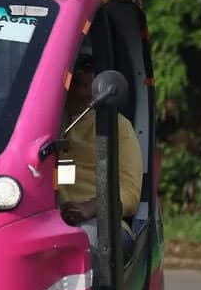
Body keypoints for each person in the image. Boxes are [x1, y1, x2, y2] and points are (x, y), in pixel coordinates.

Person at [58, 45, 143, 246]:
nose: (79, 70)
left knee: (83, 240)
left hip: (96, 221)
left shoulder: (116, 125)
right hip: (38, 218)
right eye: (75, 63)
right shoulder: (34, 121)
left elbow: (130, 193)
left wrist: (92, 207)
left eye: (88, 64)